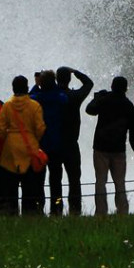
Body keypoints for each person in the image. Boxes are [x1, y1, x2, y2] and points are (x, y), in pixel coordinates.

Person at [32, 66, 93, 215]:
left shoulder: (43, 96)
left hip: (53, 145)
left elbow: (31, 95)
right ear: (69, 79)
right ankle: (75, 209)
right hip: (71, 144)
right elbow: (89, 84)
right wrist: (76, 72)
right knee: (74, 179)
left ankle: (56, 208)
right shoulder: (73, 97)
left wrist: (37, 83)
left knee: (55, 180)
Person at [0, 76, 47, 216]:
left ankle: (11, 213)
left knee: (10, 186)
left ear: (13, 88)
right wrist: (33, 139)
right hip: (30, 148)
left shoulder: (7, 106)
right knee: (30, 186)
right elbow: (40, 128)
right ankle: (29, 214)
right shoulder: (34, 105)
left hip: (10, 150)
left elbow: (0, 129)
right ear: (27, 87)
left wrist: (9, 138)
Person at [85, 77, 134, 216]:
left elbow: (89, 110)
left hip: (101, 147)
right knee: (120, 183)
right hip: (118, 148)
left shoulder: (104, 100)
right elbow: (132, 126)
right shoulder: (128, 104)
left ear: (112, 86)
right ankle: (123, 211)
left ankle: (101, 212)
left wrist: (97, 98)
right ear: (125, 88)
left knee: (100, 181)